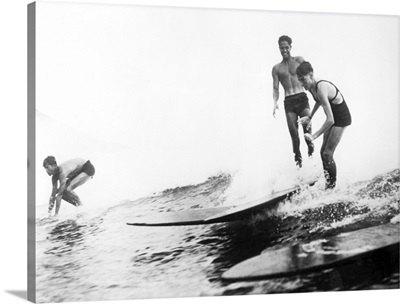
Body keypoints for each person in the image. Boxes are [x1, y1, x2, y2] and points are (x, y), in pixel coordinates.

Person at [296, 61, 352, 189]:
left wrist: (314, 136)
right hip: (333, 116)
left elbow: (330, 119)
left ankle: (331, 188)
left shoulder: (321, 87)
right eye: (299, 80)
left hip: (341, 117)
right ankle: (328, 183)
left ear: (311, 75)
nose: (301, 83)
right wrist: (310, 117)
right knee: (322, 152)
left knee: (328, 153)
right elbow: (319, 101)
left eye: (303, 79)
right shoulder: (310, 86)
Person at [272, 35, 314, 168]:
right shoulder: (277, 68)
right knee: (294, 137)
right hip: (289, 102)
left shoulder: (299, 60)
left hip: (302, 98)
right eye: (281, 48)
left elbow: (309, 74)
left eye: (286, 47)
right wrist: (275, 103)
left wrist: (314, 91)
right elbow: (275, 88)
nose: (284, 50)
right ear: (279, 49)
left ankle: (312, 160)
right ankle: (299, 168)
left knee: (307, 132)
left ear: (290, 47)